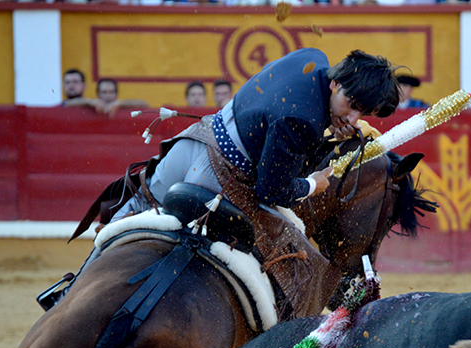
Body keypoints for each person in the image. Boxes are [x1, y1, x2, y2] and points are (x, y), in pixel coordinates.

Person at [110, 49, 400, 313]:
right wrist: (312, 185)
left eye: (363, 113)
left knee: (121, 229)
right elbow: (271, 191)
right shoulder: (304, 121)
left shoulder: (309, 58)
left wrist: (328, 128)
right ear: (336, 84)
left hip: (192, 143)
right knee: (302, 274)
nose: (353, 118)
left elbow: (281, 130)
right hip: (216, 182)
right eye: (351, 105)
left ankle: (70, 287)